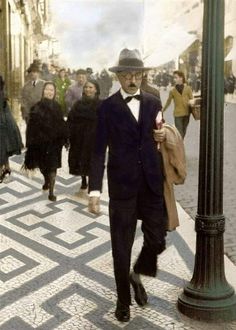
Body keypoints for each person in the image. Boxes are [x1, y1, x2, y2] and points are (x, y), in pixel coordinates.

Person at [88, 48, 167, 322]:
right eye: (127, 75)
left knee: (158, 237)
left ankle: (137, 274)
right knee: (120, 247)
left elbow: (160, 130)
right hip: (122, 186)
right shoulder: (107, 108)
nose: (133, 80)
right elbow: (98, 151)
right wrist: (95, 190)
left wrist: (162, 133)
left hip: (151, 182)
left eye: (137, 75)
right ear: (119, 77)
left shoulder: (153, 101)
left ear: (142, 76)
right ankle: (123, 300)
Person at [24, 82, 68, 201]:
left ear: (54, 93)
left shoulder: (58, 107)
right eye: (47, 90)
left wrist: (65, 138)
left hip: (54, 144)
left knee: (53, 167)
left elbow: (61, 124)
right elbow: (31, 127)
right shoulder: (36, 107)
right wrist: (30, 142)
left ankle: (51, 192)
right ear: (43, 91)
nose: (49, 92)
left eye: (52, 90)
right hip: (40, 143)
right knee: (43, 167)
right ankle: (46, 181)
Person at [68, 79, 101, 190]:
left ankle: (93, 182)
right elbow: (71, 119)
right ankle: (83, 180)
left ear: (96, 90)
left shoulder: (101, 104)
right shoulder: (78, 104)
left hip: (94, 137)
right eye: (86, 87)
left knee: (93, 161)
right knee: (81, 158)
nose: (88, 89)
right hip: (80, 136)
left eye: (91, 87)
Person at [0, 75, 22, 182]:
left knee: (2, 148)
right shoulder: (2, 93)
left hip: (3, 126)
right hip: (7, 125)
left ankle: (3, 170)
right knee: (3, 149)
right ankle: (6, 167)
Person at [162, 70, 193, 139]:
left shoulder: (188, 88)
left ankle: (180, 145)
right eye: (174, 78)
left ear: (181, 78)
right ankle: (179, 147)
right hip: (178, 114)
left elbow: (192, 99)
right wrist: (162, 110)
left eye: (176, 77)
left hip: (187, 113)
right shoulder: (172, 91)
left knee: (184, 131)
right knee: (179, 132)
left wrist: (193, 106)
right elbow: (168, 102)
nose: (174, 79)